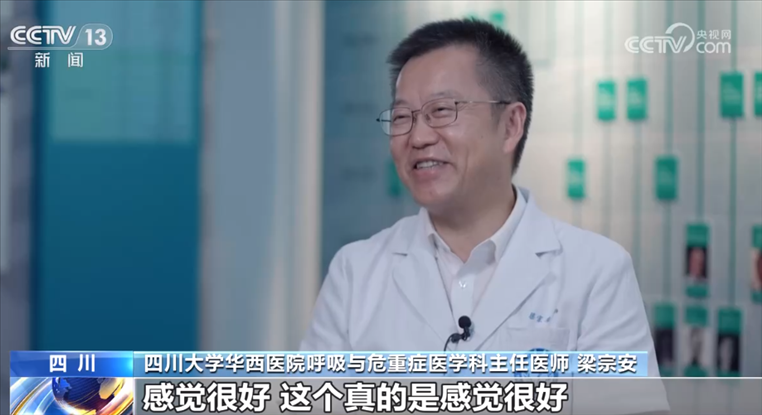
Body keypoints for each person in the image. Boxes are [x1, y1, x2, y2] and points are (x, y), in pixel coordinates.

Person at [302, 19, 669, 414]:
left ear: (510, 125)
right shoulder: (356, 272)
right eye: (403, 117)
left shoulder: (596, 272)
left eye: (441, 111)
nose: (418, 137)